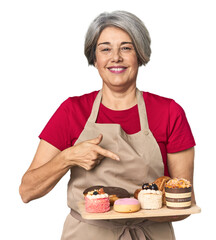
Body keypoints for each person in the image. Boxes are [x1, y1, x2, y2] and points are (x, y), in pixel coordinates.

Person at [19, 11, 196, 240]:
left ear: (140, 54)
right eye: (105, 49)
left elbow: (185, 201)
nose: (116, 58)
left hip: (150, 234)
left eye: (126, 48)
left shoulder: (169, 112)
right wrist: (68, 157)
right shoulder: (72, 111)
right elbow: (27, 191)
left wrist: (141, 206)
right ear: (94, 58)